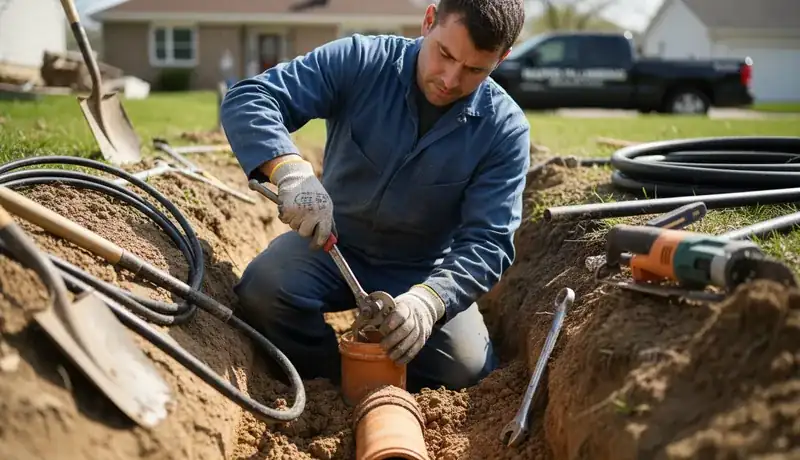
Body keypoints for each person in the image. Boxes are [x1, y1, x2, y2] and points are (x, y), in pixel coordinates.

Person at [220, 0, 530, 393]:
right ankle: (324, 383)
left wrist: (430, 301)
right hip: (331, 245)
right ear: (429, 20)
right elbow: (251, 98)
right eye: (445, 54)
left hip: (423, 271)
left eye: (474, 70)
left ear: (502, 59)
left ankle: (392, 383)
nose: (451, 79)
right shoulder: (362, 61)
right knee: (265, 289)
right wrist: (290, 171)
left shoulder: (505, 130)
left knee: (465, 370)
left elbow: (488, 241)